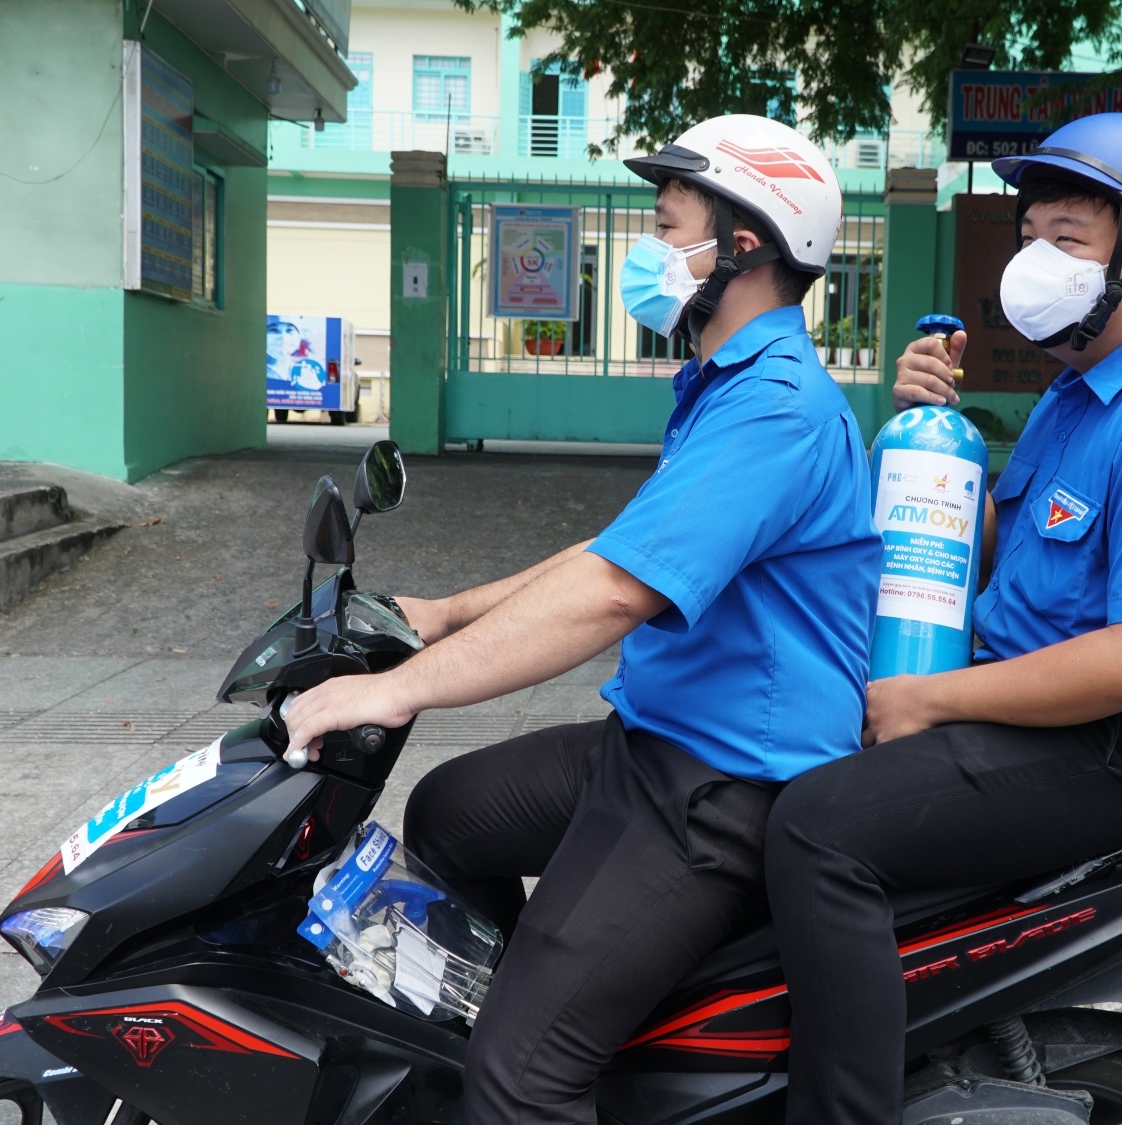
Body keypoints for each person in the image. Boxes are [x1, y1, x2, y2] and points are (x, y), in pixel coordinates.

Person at [280, 114, 878, 1125]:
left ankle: (535, 1069)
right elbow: (616, 551)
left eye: (665, 219)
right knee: (449, 815)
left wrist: (390, 689)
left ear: (740, 246)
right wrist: (436, 614)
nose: (648, 244)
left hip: (719, 789)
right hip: (656, 744)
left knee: (516, 1083)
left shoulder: (775, 407)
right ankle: (545, 1015)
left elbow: (610, 594)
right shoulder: (727, 389)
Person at [762, 112, 1122, 1125]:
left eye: (1067, 239)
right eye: (1029, 233)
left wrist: (926, 699)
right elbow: (1007, 554)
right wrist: (932, 440)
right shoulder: (1074, 396)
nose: (1033, 259)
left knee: (820, 832)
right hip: (1035, 713)